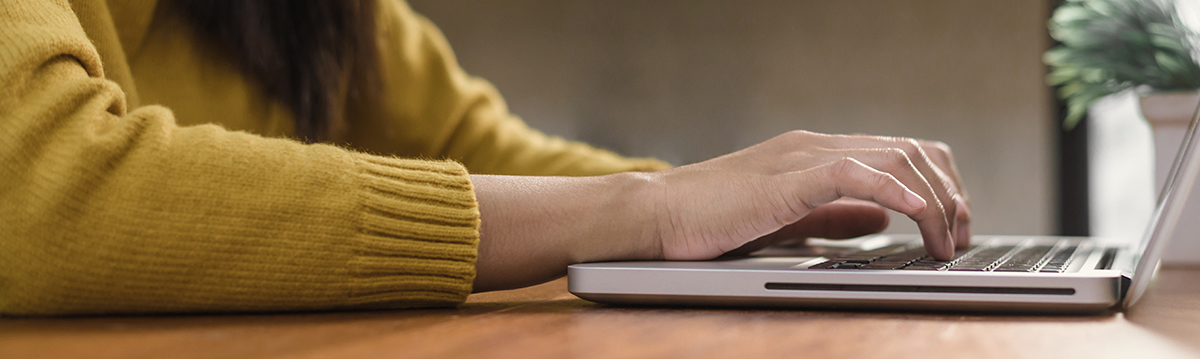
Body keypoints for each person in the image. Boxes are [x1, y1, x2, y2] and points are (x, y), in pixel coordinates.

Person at [0, 0, 970, 316]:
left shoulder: (325, 20)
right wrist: (649, 207)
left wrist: (742, 200)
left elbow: (483, 151)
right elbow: (39, 182)